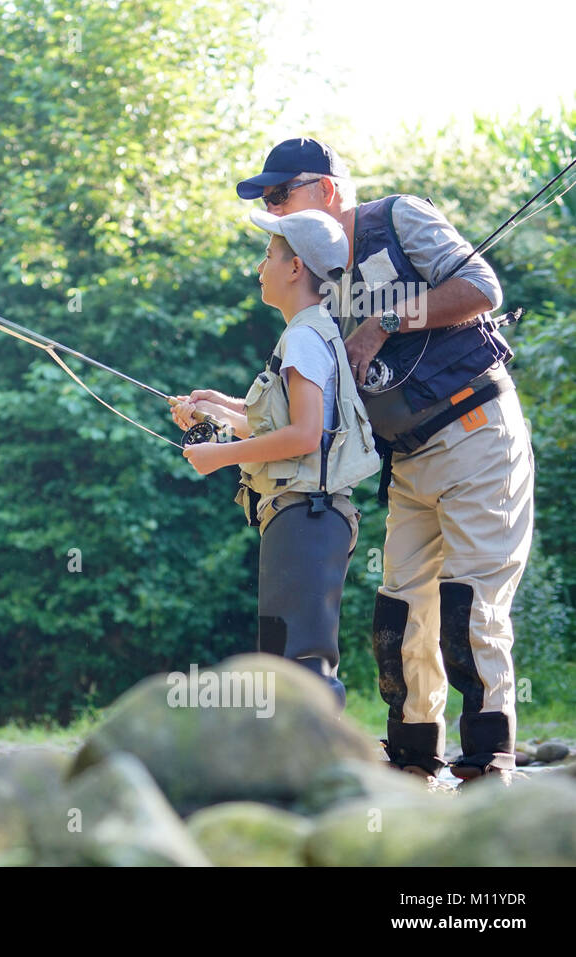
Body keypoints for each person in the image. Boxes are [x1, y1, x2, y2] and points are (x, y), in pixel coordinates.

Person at [231, 137, 534, 783]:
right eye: (268, 201)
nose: (275, 209)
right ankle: (414, 766)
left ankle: (487, 771)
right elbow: (307, 409)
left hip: (475, 428)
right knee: (398, 617)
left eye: (282, 193)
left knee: (468, 606)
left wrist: (385, 321)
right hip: (408, 461)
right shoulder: (312, 278)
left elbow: (482, 286)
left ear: (329, 189)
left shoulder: (399, 218)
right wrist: (226, 415)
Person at [173, 209, 381, 708]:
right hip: (299, 518)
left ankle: (321, 775)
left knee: (302, 664)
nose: (258, 268)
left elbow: (305, 436)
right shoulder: (307, 333)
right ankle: (294, 773)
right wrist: (219, 410)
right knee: (282, 656)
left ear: (294, 269)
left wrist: (220, 456)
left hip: (308, 517)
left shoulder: (305, 340)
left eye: (268, 256)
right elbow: (286, 427)